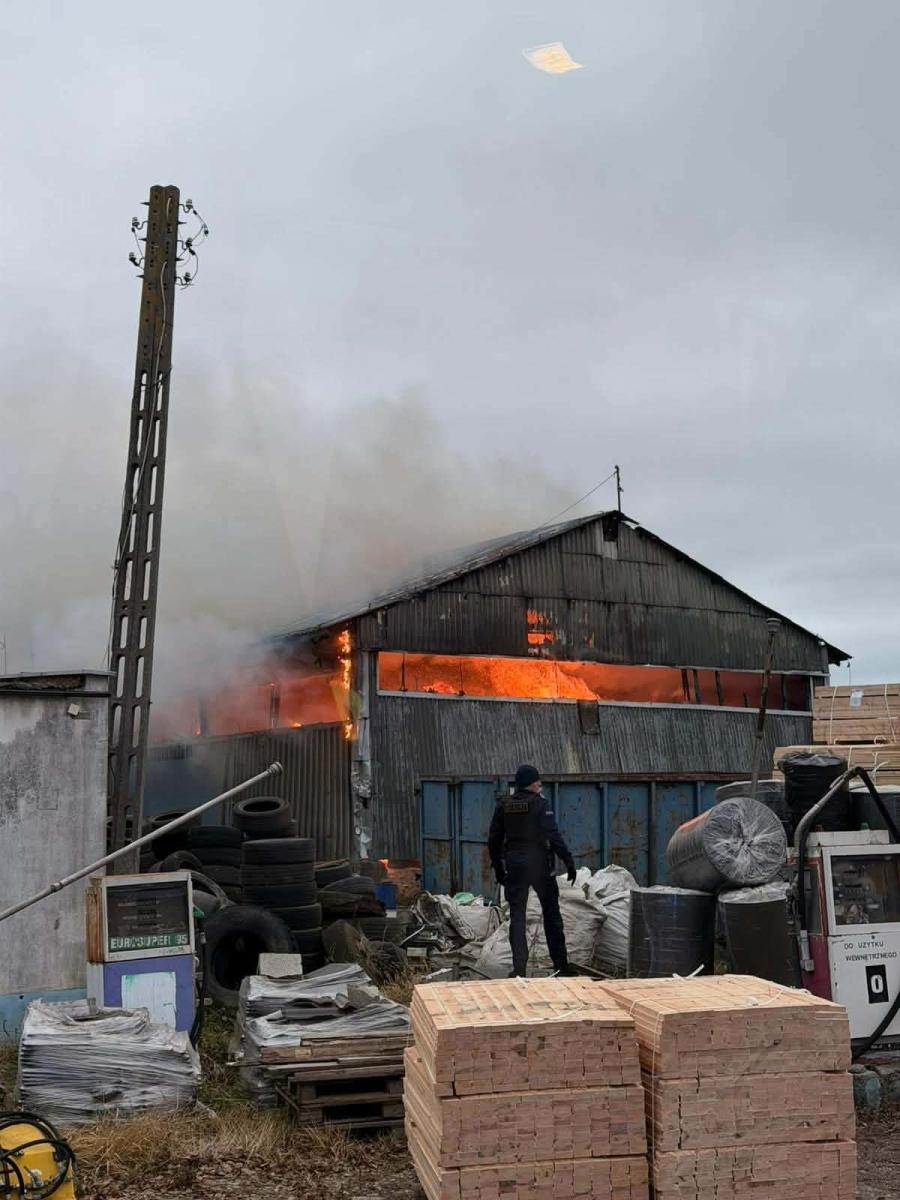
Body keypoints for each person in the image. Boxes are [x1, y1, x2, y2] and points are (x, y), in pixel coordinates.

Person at [488, 764, 577, 977]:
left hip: (515, 865)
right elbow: (553, 836)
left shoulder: (504, 805)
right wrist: (569, 861)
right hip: (539, 865)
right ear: (532, 782)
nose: (540, 784)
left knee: (517, 917)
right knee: (551, 914)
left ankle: (519, 969)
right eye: (538, 781)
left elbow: (494, 840)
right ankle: (561, 966)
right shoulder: (540, 804)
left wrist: (498, 868)